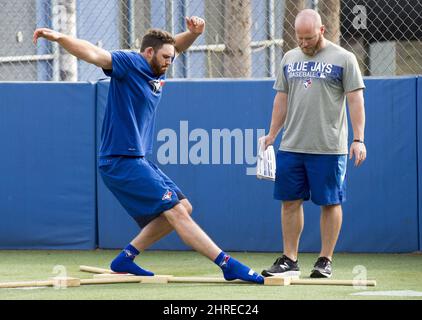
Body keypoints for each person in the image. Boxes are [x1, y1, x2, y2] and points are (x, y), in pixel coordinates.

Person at [33, 17, 263, 284]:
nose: (169, 62)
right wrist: (61, 38)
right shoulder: (130, 64)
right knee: (175, 212)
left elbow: (174, 46)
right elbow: (94, 53)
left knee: (183, 207)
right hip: (121, 160)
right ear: (148, 52)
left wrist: (193, 34)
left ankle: (125, 259)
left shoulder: (158, 65)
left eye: (172, 58)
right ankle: (227, 264)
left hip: (139, 159)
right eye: (165, 57)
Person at [260, 9, 366, 278]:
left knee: (330, 202)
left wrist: (358, 139)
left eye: (309, 38)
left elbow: (355, 100)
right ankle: (289, 260)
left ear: (321, 31)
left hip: (329, 147)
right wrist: (272, 134)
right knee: (289, 201)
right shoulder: (289, 57)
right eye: (299, 38)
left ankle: (324, 260)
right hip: (292, 145)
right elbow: (281, 100)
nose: (304, 43)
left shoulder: (344, 58)